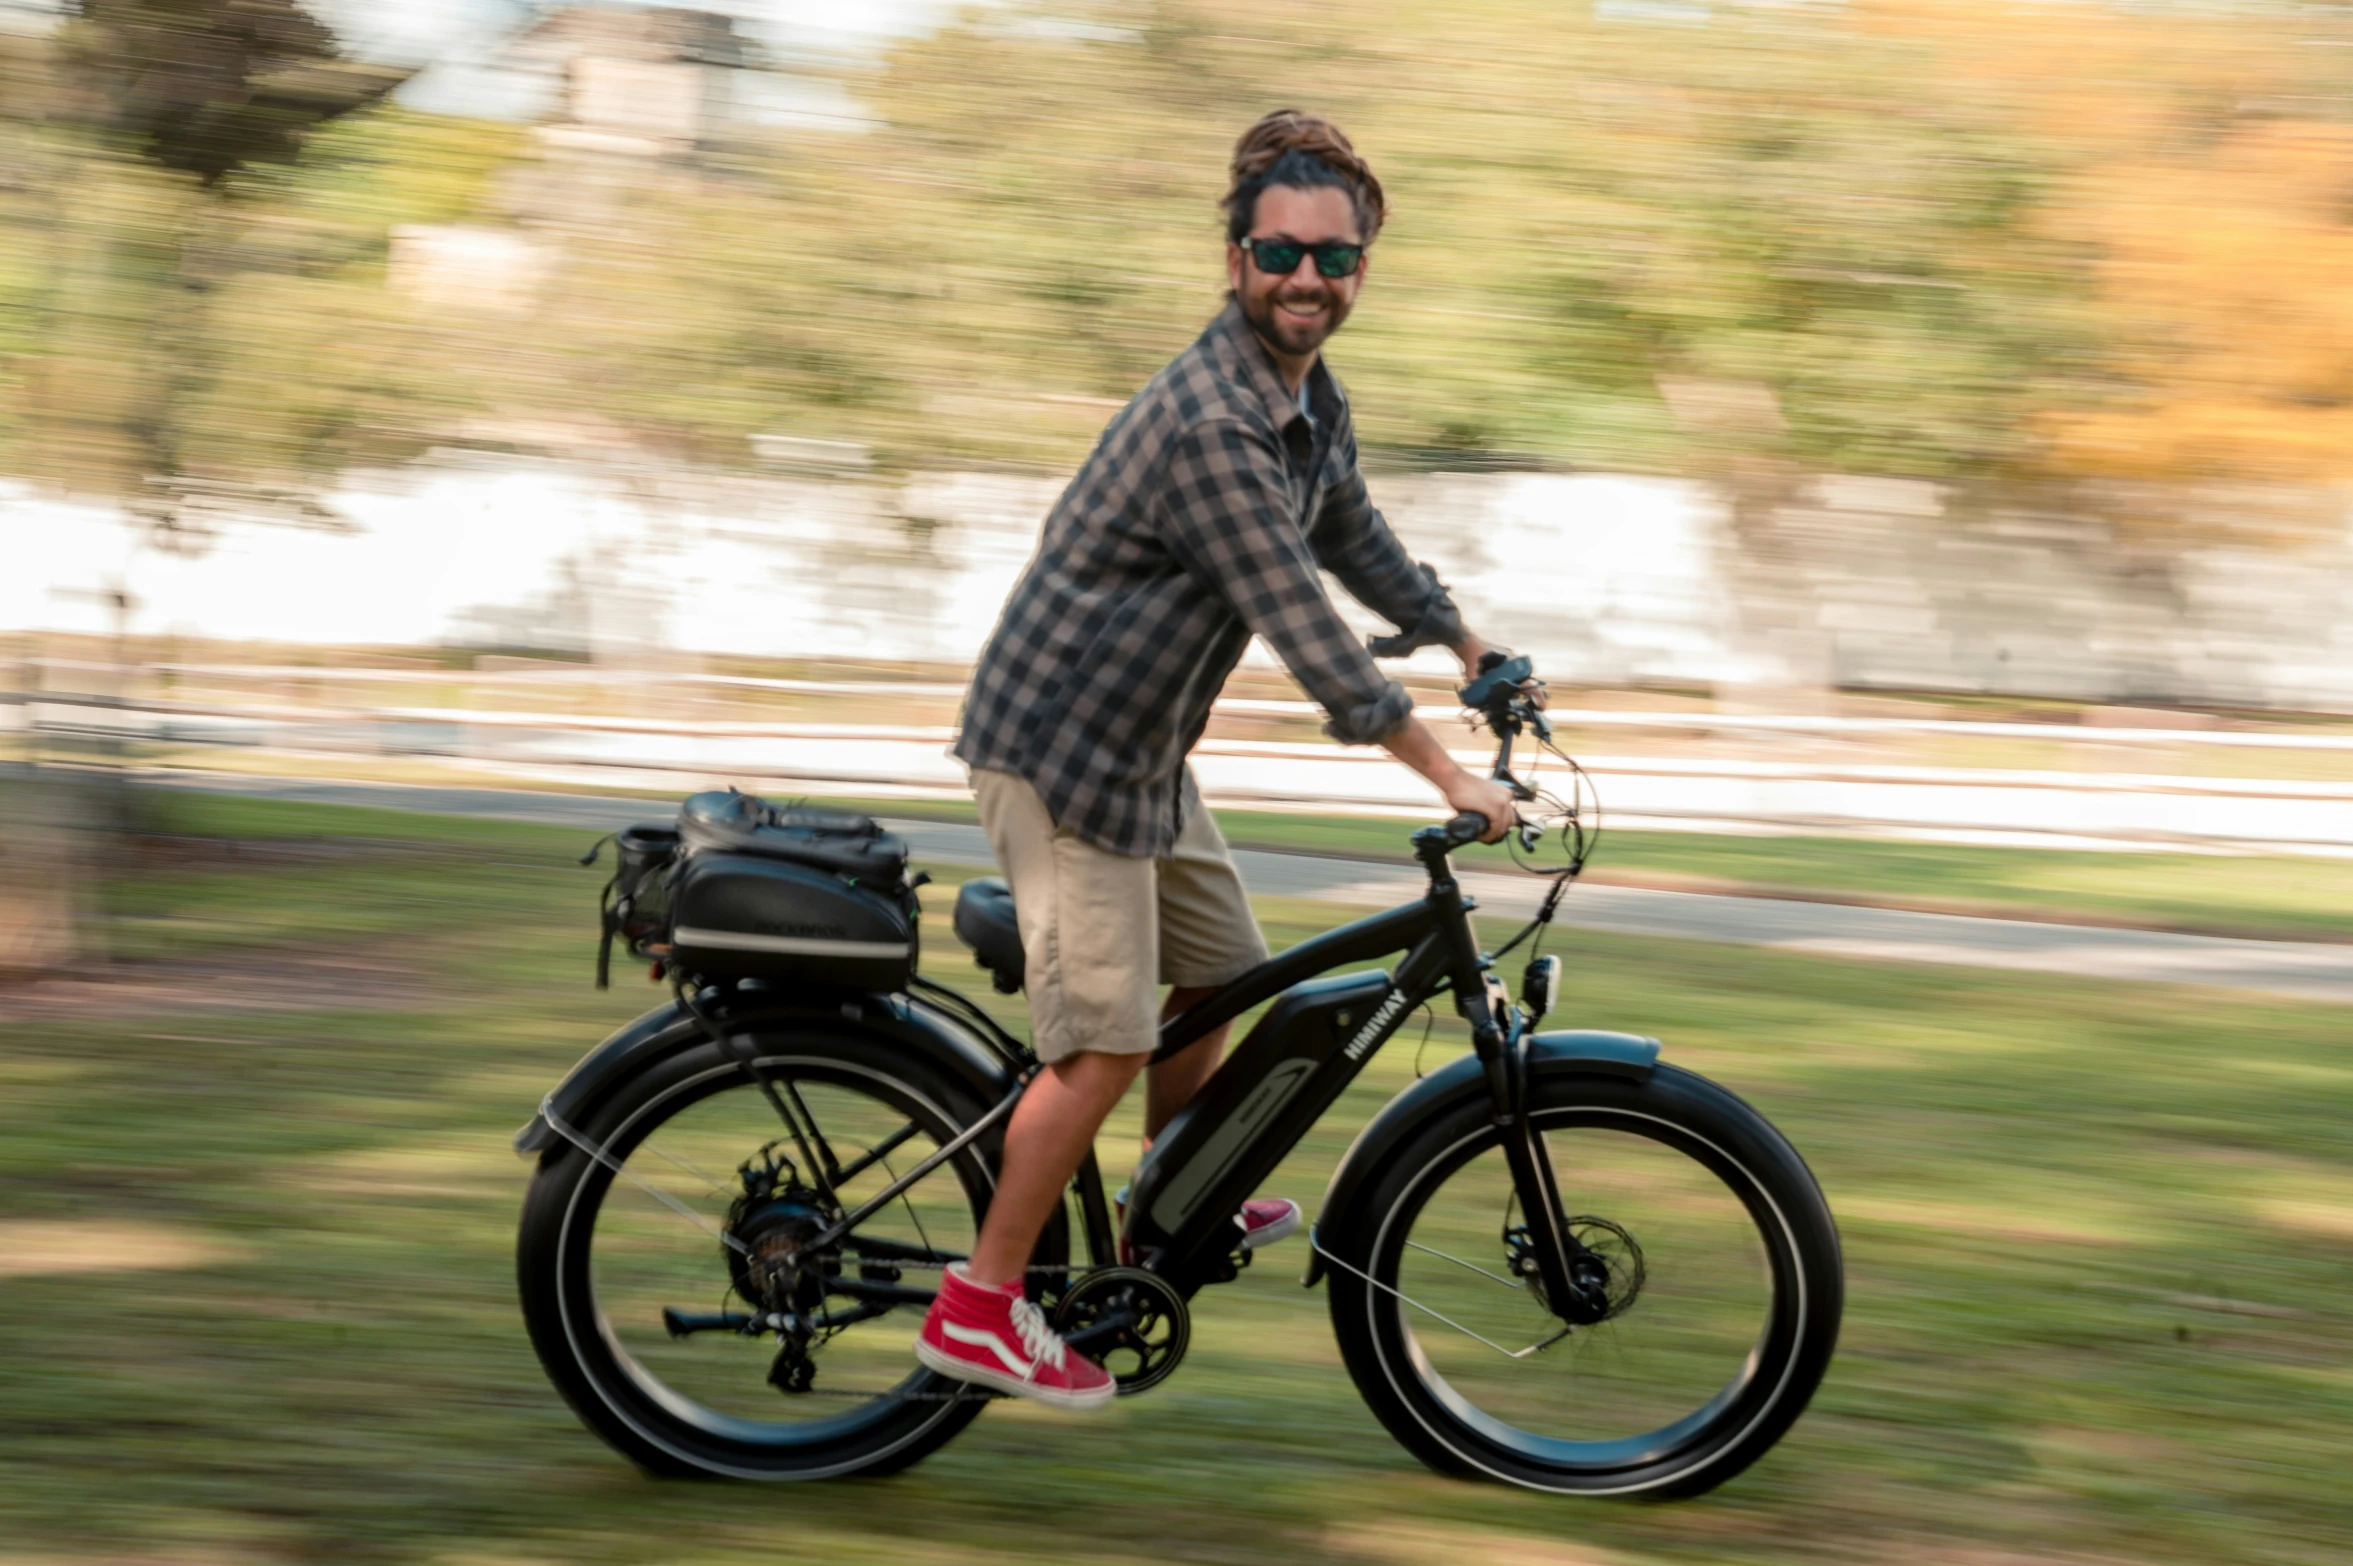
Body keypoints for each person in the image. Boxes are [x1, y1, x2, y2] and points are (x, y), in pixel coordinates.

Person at [915, 109, 1521, 1410]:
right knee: (1106, 1040)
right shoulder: (1214, 424)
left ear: (1363, 267)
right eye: (1280, 251)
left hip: (1141, 753)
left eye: (1336, 258)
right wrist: (1446, 774)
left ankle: (1162, 1195)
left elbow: (1356, 538)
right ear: (1236, 258)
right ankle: (980, 1304)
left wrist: (1467, 637)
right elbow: (1307, 626)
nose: (1308, 277)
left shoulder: (1305, 400)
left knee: (1232, 977)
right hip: (1061, 754)